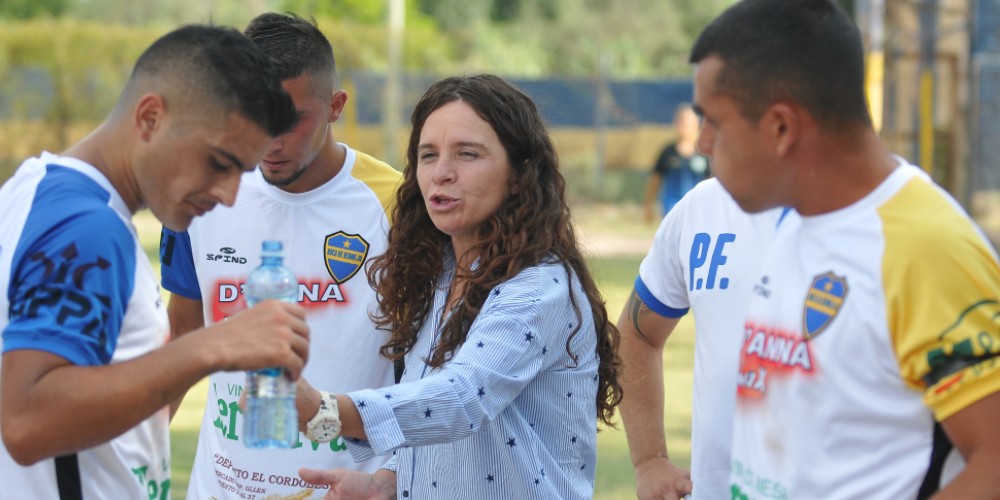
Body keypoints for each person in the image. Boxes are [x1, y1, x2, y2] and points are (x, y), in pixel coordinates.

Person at [690, 0, 1000, 497]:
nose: (702, 142)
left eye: (713, 121)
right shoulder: (795, 220)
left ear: (781, 127)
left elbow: (993, 459)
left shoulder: (926, 248)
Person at [0, 25, 307, 499]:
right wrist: (211, 346)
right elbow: (26, 422)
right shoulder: (87, 229)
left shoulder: (38, 187)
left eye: (242, 174)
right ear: (150, 118)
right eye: (218, 162)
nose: (228, 195)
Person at [290, 74, 623, 499]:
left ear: (519, 173)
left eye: (467, 154)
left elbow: (462, 399)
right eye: (428, 155)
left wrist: (325, 411)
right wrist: (387, 482)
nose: (441, 173)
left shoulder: (539, 286)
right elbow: (438, 422)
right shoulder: (440, 274)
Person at [158, 13, 401, 500]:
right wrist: (124, 454)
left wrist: (389, 482)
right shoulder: (201, 191)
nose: (270, 138)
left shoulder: (397, 206)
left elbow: (434, 376)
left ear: (335, 107)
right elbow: (181, 335)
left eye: (290, 119)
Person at [619, 178, 785, 500]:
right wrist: (649, 460)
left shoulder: (875, 220)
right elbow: (637, 333)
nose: (704, 150)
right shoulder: (703, 206)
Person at [642, 103, 709, 223]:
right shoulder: (668, 152)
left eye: (686, 121)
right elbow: (655, 180)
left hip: (697, 210)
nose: (682, 125)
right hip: (671, 209)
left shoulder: (704, 153)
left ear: (696, 125)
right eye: (679, 121)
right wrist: (648, 206)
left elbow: (711, 182)